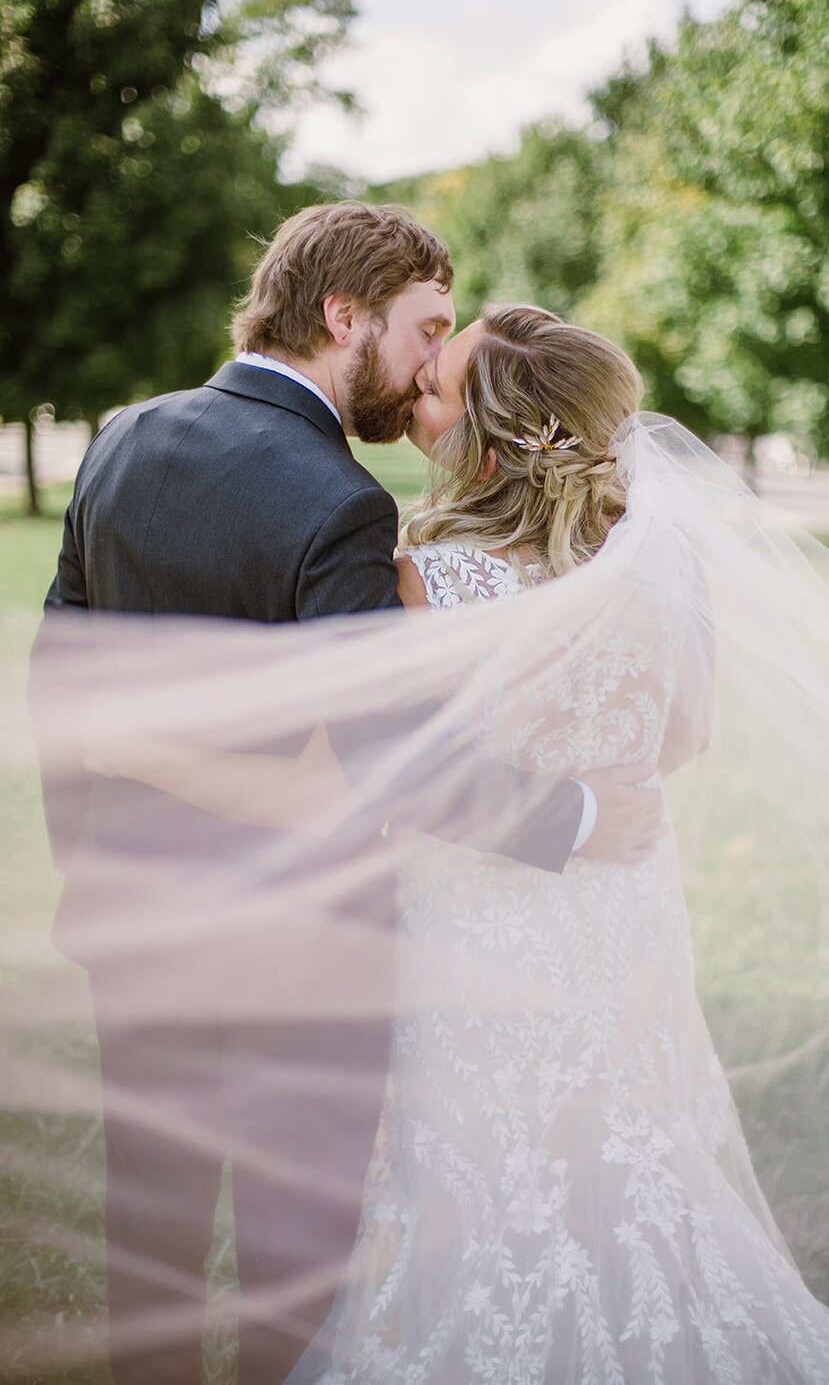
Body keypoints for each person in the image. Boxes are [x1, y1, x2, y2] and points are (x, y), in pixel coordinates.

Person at [81, 307, 829, 1380]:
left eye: (439, 382)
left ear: (497, 434)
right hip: (619, 926)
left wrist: (142, 750)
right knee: (616, 1182)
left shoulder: (425, 575)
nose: (416, 385)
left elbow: (353, 782)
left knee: (479, 1195)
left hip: (469, 942)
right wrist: (589, 795)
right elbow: (685, 735)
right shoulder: (659, 567)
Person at [32, 207, 661, 1385]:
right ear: (342, 315)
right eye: (425, 329)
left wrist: (96, 866)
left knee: (150, 1239)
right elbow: (392, 757)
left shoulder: (120, 437)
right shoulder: (338, 501)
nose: (432, 362)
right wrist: (569, 817)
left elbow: (62, 679)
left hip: (136, 924)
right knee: (293, 1257)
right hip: (303, 957)